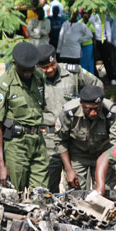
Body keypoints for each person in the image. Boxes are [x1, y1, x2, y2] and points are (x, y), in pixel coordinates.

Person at [37, 45, 103, 193]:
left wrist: (90, 113)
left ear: (56, 60)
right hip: (48, 137)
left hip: (73, 137)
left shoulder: (73, 72)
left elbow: (97, 86)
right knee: (49, 184)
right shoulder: (35, 79)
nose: (49, 70)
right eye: (44, 68)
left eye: (52, 65)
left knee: (75, 185)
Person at [0, 42, 49, 191]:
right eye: (24, 70)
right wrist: (1, 164)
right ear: (14, 63)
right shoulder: (2, 85)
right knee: (14, 192)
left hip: (38, 141)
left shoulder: (39, 77)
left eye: (31, 68)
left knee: (41, 192)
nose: (28, 73)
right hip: (16, 144)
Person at [55, 85, 116, 191]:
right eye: (88, 109)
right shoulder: (69, 111)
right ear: (81, 104)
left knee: (105, 191)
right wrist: (69, 170)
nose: (93, 113)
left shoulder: (111, 111)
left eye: (97, 109)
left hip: (103, 154)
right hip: (77, 155)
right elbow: (60, 141)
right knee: (75, 192)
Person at [80, 10, 96, 74]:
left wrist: (95, 51)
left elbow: (94, 39)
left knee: (90, 63)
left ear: (89, 15)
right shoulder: (79, 23)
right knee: (82, 63)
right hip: (81, 47)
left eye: (87, 14)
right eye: (84, 13)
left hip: (89, 46)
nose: (86, 15)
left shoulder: (91, 25)